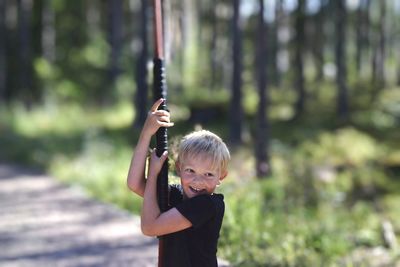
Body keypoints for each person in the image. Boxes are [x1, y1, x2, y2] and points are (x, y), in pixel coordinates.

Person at [126, 98, 230, 267]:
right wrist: (146, 134)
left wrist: (153, 173)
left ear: (221, 177)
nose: (198, 180)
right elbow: (134, 183)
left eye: (209, 174)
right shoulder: (175, 195)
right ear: (179, 168)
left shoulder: (207, 205)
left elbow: (149, 227)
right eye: (191, 171)